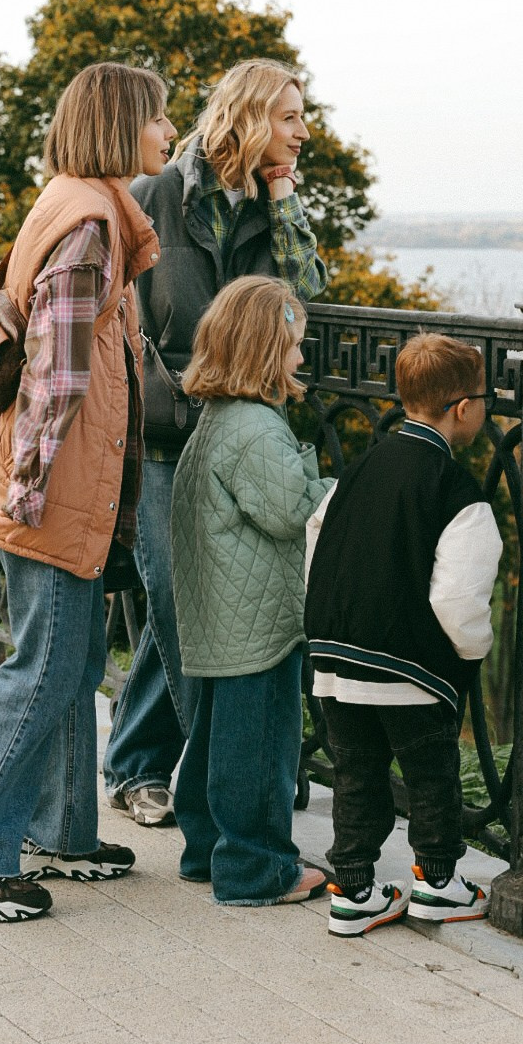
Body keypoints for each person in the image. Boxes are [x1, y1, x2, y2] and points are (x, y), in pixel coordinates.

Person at [0, 62, 177, 922]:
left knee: (72, 659)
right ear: (119, 126)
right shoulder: (90, 226)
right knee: (45, 666)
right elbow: (57, 377)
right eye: (158, 118)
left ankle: (60, 832)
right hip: (53, 485)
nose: (169, 133)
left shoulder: (78, 201)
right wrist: (28, 493)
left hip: (61, 478)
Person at [103, 59, 328, 827]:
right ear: (250, 116)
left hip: (242, 436)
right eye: (290, 116)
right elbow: (115, 312)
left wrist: (285, 200)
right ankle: (227, 781)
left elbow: (305, 291)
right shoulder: (155, 194)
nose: (303, 132)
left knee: (208, 610)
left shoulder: (269, 204)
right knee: (176, 603)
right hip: (165, 435)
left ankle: (142, 764)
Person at [304, 333, 504, 936]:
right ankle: (438, 883)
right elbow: (457, 599)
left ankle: (354, 891)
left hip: (337, 656)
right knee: (430, 774)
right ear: (463, 408)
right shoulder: (455, 490)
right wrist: (469, 652)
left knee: (356, 775)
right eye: (485, 400)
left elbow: (317, 540)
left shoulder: (360, 469)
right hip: (410, 664)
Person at [169, 276, 332, 902]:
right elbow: (290, 510)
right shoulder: (256, 429)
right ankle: (256, 867)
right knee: (260, 747)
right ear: (266, 351)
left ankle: (208, 849)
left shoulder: (217, 418)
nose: (301, 356)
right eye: (294, 345)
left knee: (216, 737)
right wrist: (327, 482)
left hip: (222, 610)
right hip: (257, 620)